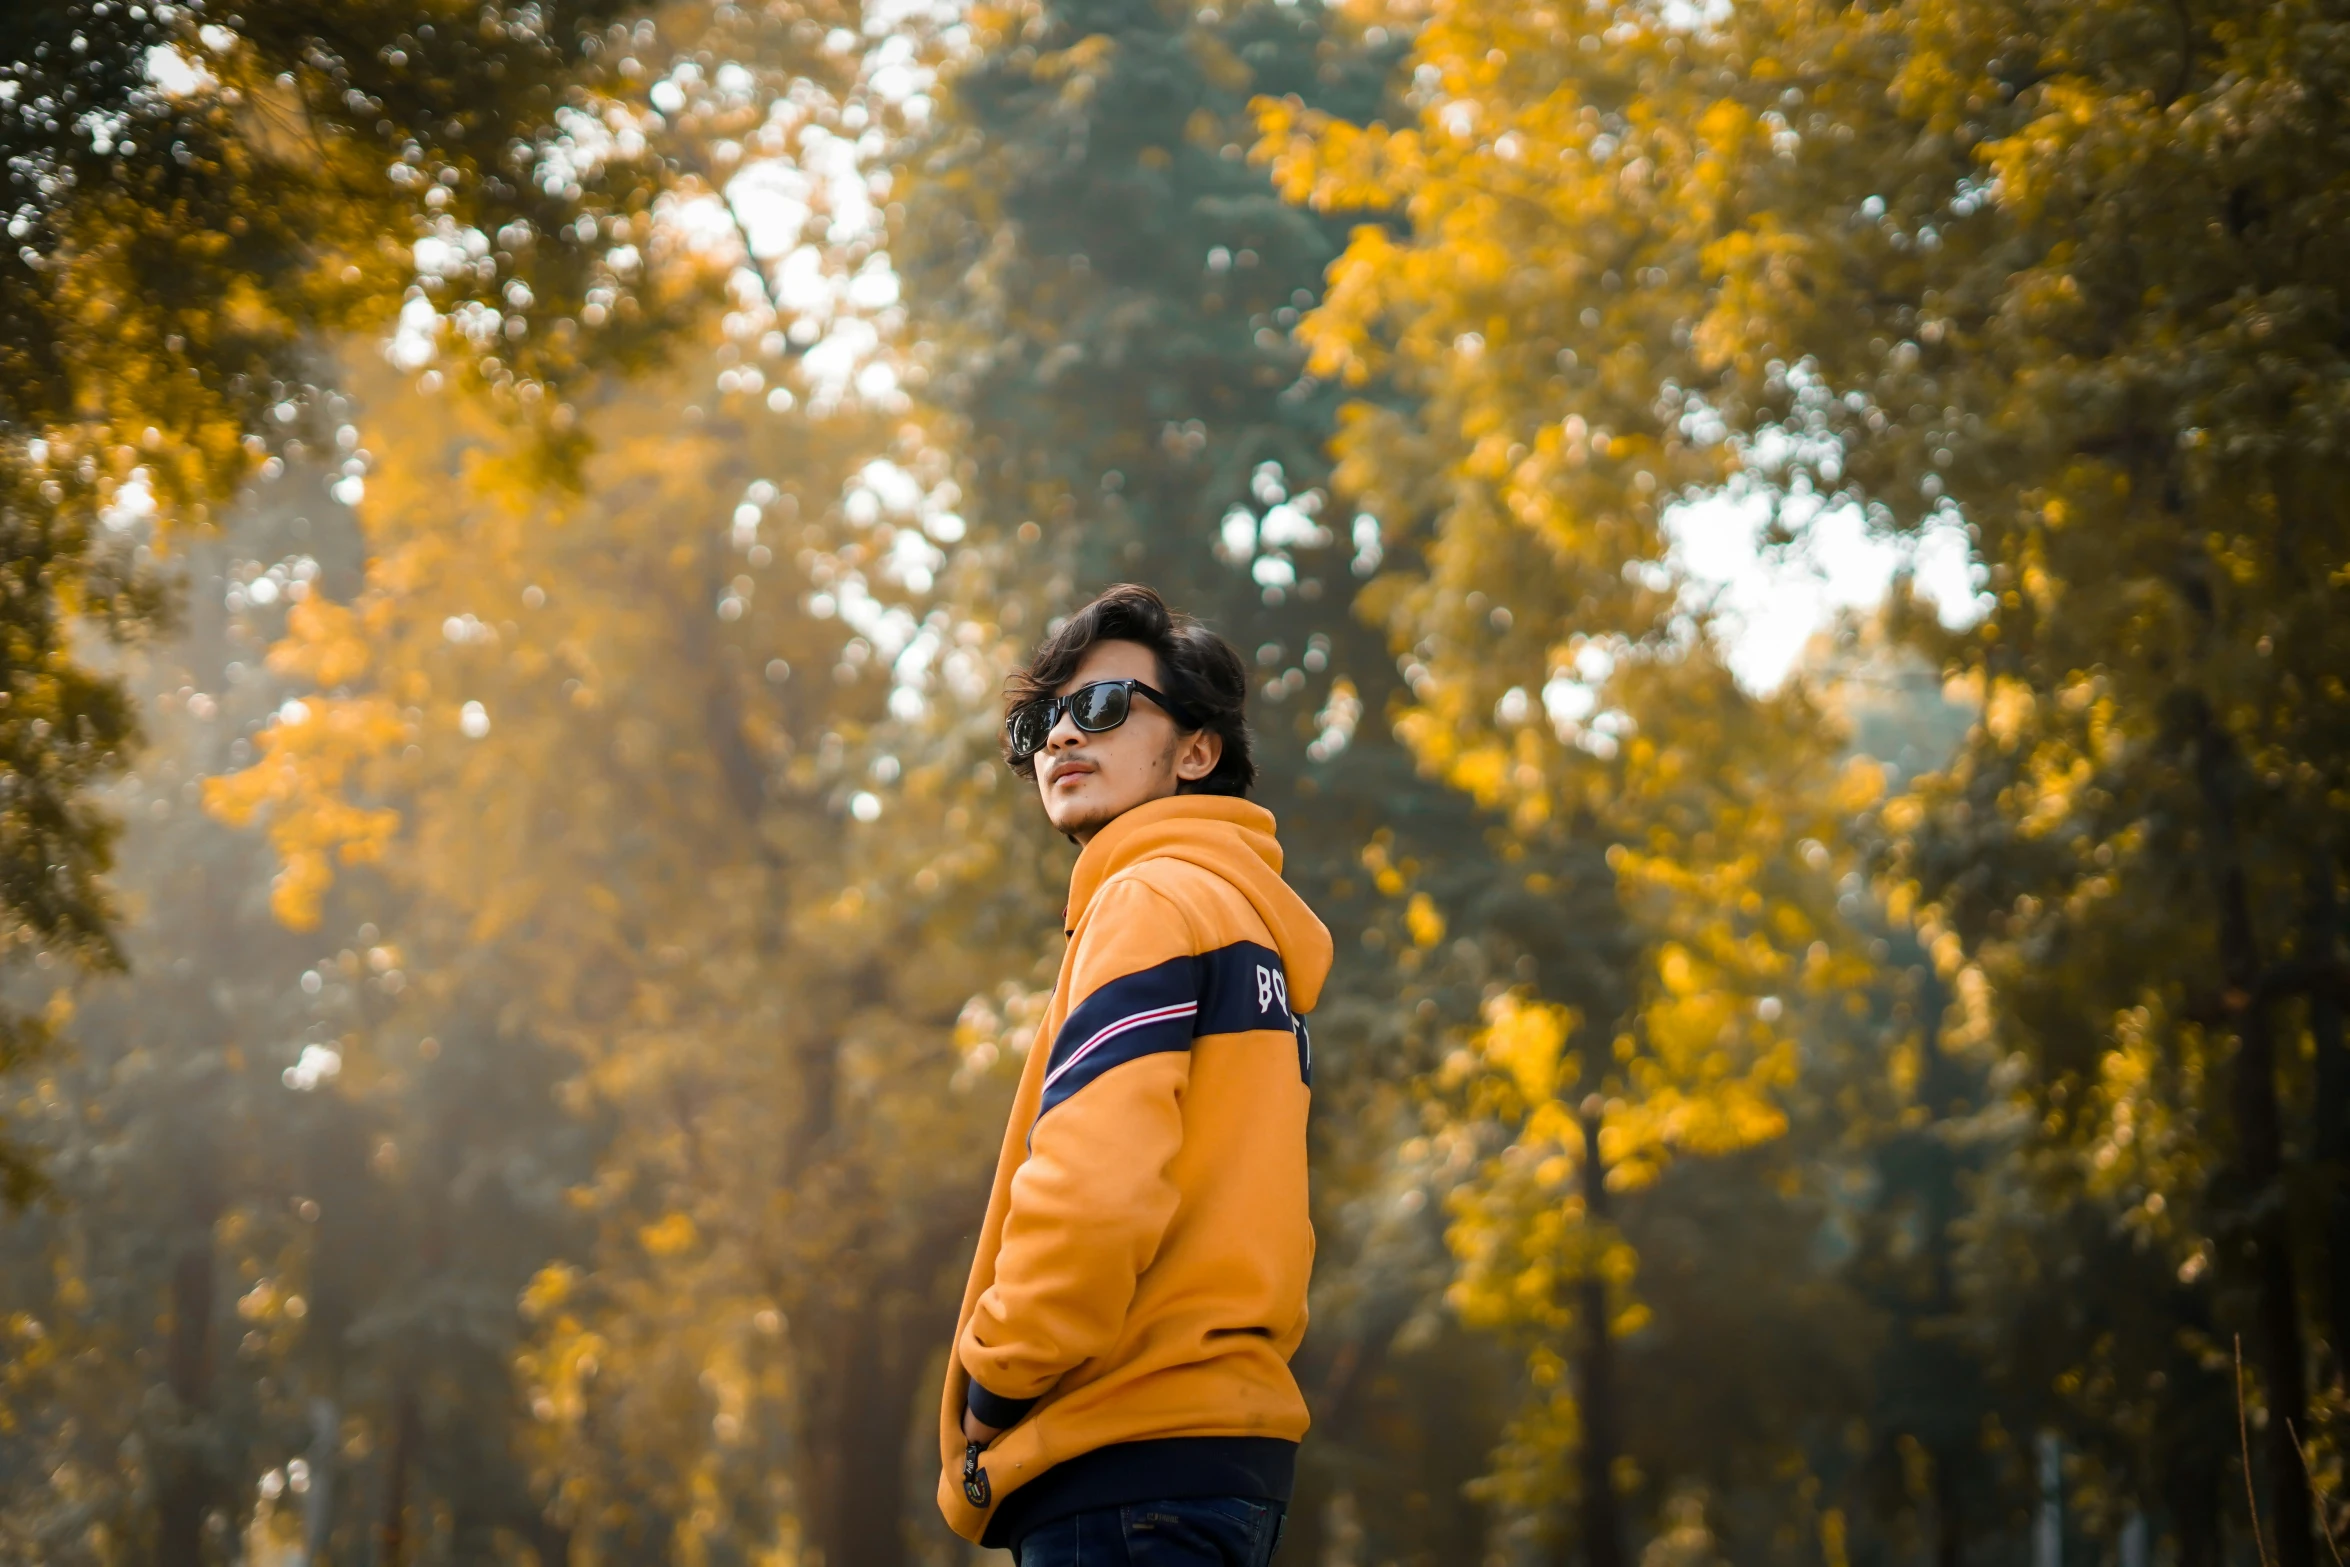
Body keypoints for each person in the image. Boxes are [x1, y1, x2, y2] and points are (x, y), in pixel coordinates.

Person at [935, 584, 1331, 1566]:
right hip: (1224, 1459)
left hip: (1120, 1464)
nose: (1063, 736)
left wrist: (996, 1384)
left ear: (1196, 751)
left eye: (1105, 706)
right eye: (1042, 719)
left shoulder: (1146, 900)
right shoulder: (1242, 922)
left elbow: (1097, 1194)